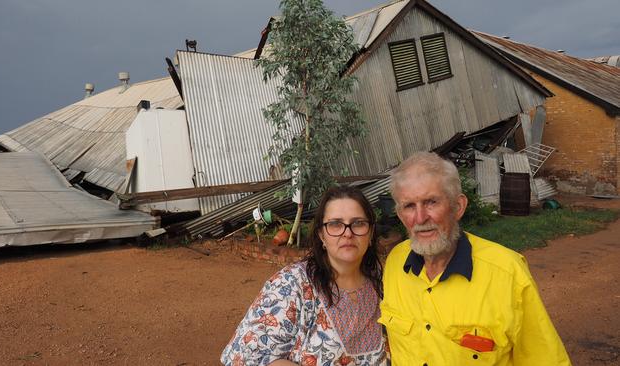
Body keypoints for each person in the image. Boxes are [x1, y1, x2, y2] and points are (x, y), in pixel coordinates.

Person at [380, 151, 571, 365]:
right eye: (409, 206)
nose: (420, 218)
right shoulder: (395, 263)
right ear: (399, 214)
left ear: (458, 206)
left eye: (431, 202)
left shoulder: (507, 273)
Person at [221, 185, 387, 365]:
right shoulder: (291, 284)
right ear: (322, 235)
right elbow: (248, 357)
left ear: (370, 233)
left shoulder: (384, 283)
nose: (347, 233)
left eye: (358, 223)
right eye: (335, 224)